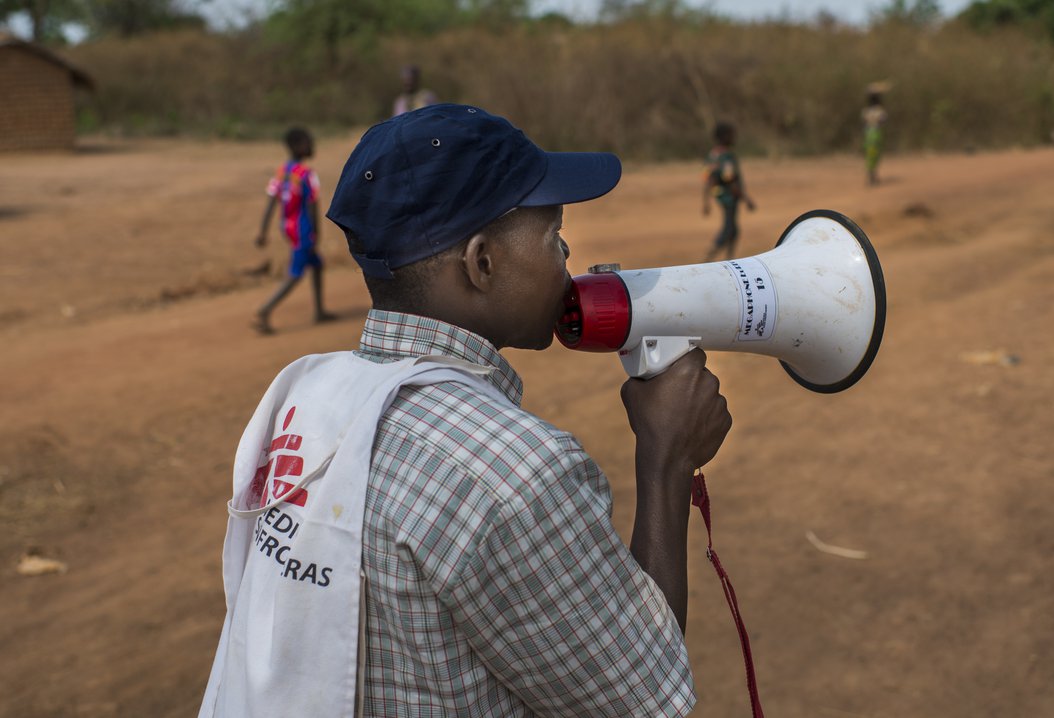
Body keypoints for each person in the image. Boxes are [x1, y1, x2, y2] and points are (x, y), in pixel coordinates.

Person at [201, 104, 732, 717]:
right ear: (482, 263)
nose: (566, 258)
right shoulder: (513, 470)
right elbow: (640, 695)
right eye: (552, 234)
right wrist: (667, 459)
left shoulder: (305, 397)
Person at [252, 126, 334, 334]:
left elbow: (271, 202)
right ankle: (264, 310)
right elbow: (312, 206)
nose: (312, 145)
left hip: (287, 226)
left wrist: (263, 231)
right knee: (296, 273)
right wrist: (316, 234)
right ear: (298, 146)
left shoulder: (282, 172)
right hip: (303, 229)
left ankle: (319, 311)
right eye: (308, 142)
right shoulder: (306, 174)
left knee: (316, 265)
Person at [701, 121, 755, 261]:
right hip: (729, 196)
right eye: (732, 135)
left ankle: (730, 260)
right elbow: (729, 179)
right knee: (729, 230)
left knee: (734, 230)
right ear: (724, 137)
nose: (734, 138)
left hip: (719, 195)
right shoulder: (727, 157)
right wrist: (746, 198)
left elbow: (708, 178)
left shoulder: (713, 154)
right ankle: (708, 260)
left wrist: (706, 201)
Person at [862, 82, 889, 187]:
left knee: (870, 154)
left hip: (868, 133)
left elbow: (863, 122)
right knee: (875, 154)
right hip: (876, 133)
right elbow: (884, 120)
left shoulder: (866, 111)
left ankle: (871, 175)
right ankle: (873, 175)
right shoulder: (879, 111)